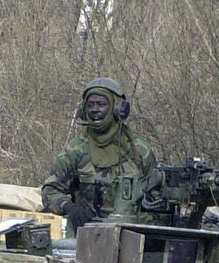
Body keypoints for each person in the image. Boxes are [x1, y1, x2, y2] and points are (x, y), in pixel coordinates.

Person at [41, 77, 161, 233]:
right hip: (89, 235)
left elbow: (157, 195)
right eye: (90, 105)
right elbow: (50, 191)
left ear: (117, 109)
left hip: (135, 234)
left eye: (101, 104)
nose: (95, 110)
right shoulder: (75, 150)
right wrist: (69, 207)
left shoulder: (139, 150)